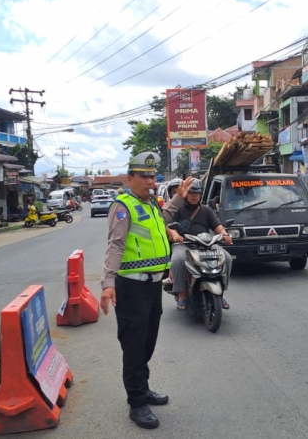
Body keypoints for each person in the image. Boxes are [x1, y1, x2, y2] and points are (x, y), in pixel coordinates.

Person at [100, 151, 171, 429]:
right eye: (144, 176)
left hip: (153, 286)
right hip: (131, 287)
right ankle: (137, 403)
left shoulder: (152, 204)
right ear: (130, 178)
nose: (150, 181)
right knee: (133, 345)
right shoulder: (123, 206)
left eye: (153, 176)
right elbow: (115, 246)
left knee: (148, 341)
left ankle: (143, 387)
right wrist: (108, 284)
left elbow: (159, 232)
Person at [166, 179, 233, 311]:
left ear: (201, 194)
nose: (194, 195)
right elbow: (169, 225)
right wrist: (175, 235)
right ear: (186, 193)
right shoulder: (179, 209)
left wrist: (225, 235)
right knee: (177, 260)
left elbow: (217, 226)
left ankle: (222, 292)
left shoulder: (206, 210)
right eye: (191, 192)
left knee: (227, 258)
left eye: (197, 192)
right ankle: (182, 295)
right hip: (184, 244)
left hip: (206, 244)